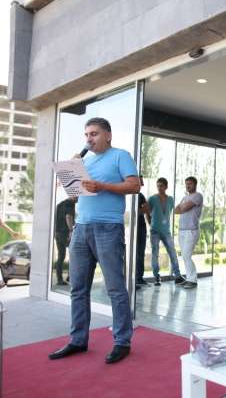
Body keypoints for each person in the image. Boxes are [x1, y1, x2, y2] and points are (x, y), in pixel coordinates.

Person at [48, 117, 140, 365]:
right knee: (77, 289)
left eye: (94, 133)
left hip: (108, 229)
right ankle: (78, 340)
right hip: (81, 229)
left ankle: (122, 341)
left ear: (107, 135)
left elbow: (134, 186)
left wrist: (102, 186)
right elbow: (76, 197)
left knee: (115, 289)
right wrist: (70, 175)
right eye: (87, 134)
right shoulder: (84, 161)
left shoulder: (120, 155)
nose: (89, 138)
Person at [146, 178, 185, 286]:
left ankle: (177, 276)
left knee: (172, 252)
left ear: (166, 187)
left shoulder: (171, 199)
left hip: (166, 231)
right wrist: (151, 224)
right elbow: (147, 212)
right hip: (154, 231)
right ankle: (156, 277)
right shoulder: (152, 199)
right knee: (155, 254)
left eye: (161, 185)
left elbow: (169, 212)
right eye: (158, 185)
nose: (159, 188)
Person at [174, 176, 203, 290]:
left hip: (191, 230)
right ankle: (189, 278)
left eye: (190, 184)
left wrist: (182, 207)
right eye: (186, 184)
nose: (187, 186)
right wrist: (182, 207)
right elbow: (176, 210)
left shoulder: (198, 196)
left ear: (195, 184)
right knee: (185, 256)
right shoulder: (185, 197)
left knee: (186, 255)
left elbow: (184, 208)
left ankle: (192, 280)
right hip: (181, 230)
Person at [54, 196, 76, 285]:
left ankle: (59, 279)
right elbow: (68, 217)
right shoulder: (70, 204)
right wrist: (71, 230)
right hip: (65, 233)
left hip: (57, 233)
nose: (78, 200)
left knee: (61, 256)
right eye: (78, 197)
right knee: (74, 254)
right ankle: (70, 277)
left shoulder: (59, 204)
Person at [135, 176, 148, 288]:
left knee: (140, 253)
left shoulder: (141, 196)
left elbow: (147, 209)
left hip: (141, 228)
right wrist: (139, 210)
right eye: (141, 182)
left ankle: (139, 278)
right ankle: (132, 279)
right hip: (132, 228)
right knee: (132, 253)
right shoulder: (128, 195)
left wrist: (136, 211)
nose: (142, 184)